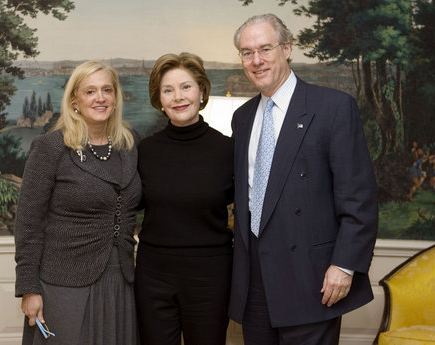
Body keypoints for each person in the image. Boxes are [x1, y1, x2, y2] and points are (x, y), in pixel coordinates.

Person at [228, 14, 378, 345]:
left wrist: (345, 265)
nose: (256, 61)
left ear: (287, 48)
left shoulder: (333, 107)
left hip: (312, 279)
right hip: (254, 282)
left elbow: (359, 198)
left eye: (265, 49)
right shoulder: (242, 118)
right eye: (246, 52)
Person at [14, 61, 141, 345]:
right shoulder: (51, 147)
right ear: (75, 100)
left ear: (115, 97)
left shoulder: (130, 147)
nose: (100, 98)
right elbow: (28, 223)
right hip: (64, 283)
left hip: (119, 280)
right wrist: (28, 289)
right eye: (90, 91)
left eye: (107, 90)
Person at [135, 52, 234, 345]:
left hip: (210, 276)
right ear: (160, 100)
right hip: (154, 275)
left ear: (202, 91)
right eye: (168, 90)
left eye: (186, 87)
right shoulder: (145, 151)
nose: (178, 97)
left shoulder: (228, 150)